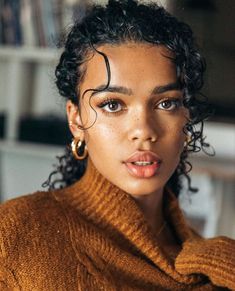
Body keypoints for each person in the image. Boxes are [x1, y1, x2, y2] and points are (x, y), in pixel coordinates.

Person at [0, 0, 235, 290]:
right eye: (112, 104)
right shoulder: (16, 235)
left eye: (166, 103)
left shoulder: (216, 264)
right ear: (76, 120)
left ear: (186, 117)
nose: (143, 131)